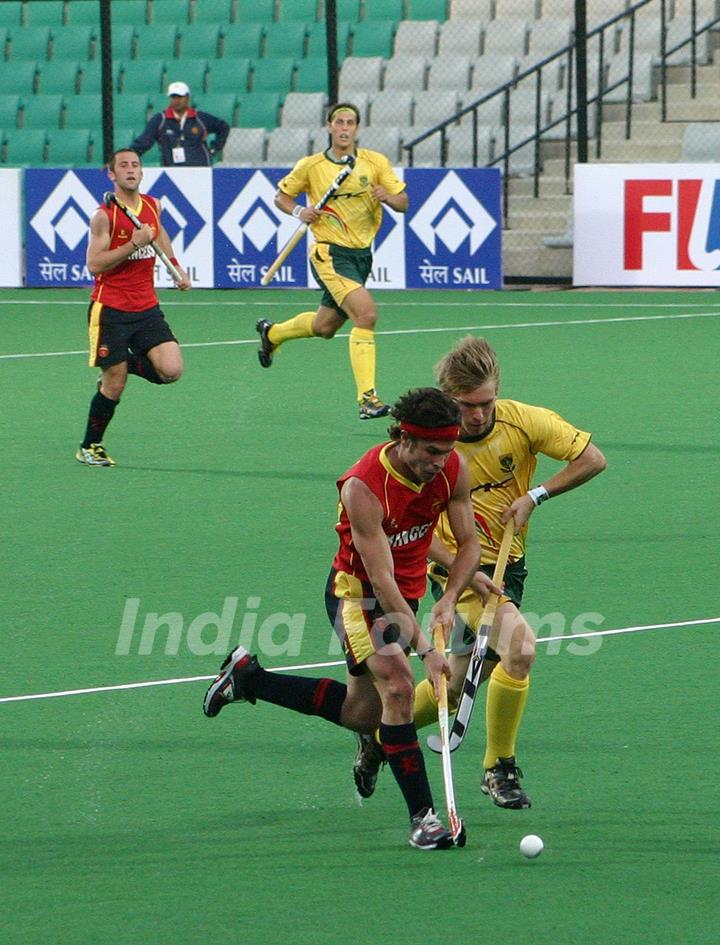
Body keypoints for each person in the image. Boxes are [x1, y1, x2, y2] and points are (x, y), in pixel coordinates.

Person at [203, 387, 501, 850]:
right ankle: (424, 820)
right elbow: (380, 580)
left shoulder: (452, 468)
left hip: (409, 593)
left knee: (362, 715)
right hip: (359, 597)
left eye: (447, 451)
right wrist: (425, 649)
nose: (440, 461)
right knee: (400, 689)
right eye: (430, 451)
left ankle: (249, 679)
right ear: (403, 438)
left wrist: (453, 593)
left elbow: (467, 545)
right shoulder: (364, 486)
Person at [352, 336, 607, 808]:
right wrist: (453, 573)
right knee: (522, 648)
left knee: (457, 679)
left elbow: (592, 458)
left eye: (486, 403)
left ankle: (381, 738)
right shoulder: (430, 447)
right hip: (454, 568)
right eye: (466, 405)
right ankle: (499, 768)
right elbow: (400, 522)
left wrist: (536, 496)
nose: (477, 415)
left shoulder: (524, 421)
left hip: (510, 566)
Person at [256, 102, 408, 420]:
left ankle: (272, 334)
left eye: (350, 123)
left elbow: (403, 203)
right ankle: (368, 398)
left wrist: (387, 198)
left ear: (356, 128)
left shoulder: (374, 162)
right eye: (339, 122)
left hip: (361, 255)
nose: (344, 128)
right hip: (329, 252)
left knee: (324, 327)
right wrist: (300, 211)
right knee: (365, 315)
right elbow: (281, 197)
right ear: (329, 126)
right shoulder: (311, 166)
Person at [76, 148, 191, 466]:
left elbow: (160, 235)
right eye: (123, 166)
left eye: (135, 165)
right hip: (110, 309)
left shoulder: (153, 206)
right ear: (112, 175)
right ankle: (90, 446)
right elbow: (94, 265)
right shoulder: (104, 216)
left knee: (171, 370)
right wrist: (132, 245)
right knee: (115, 382)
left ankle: (118, 363)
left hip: (146, 307)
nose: (130, 169)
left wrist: (175, 267)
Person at [130, 81, 229, 167]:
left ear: (187, 97)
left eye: (180, 97)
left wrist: (214, 148)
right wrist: (126, 157)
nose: (176, 100)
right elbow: (144, 142)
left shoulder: (200, 118)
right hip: (172, 169)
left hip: (200, 168)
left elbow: (223, 127)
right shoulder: (160, 120)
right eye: (173, 97)